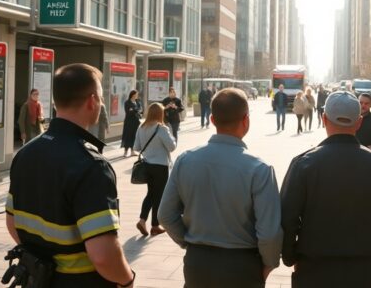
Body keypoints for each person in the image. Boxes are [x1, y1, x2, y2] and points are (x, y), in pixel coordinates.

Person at [6, 64, 135, 288]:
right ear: (92, 100)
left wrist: (44, 260)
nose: (101, 104)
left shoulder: (26, 153)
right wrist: (127, 281)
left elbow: (11, 221)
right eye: (101, 99)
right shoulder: (91, 166)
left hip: (36, 279)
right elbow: (103, 256)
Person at [280, 91, 371, 287]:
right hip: (366, 272)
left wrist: (291, 257)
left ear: (324, 119)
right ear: (359, 123)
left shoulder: (304, 164)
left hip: (313, 271)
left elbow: (286, 218)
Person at [158, 88, 282, 287]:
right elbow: (269, 233)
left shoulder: (185, 161)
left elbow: (165, 215)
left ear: (213, 120)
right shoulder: (260, 170)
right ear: (246, 120)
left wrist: (188, 241)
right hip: (242, 265)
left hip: (197, 263)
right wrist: (269, 263)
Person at [134, 103, 177, 237]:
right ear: (160, 114)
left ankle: (142, 220)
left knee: (151, 193)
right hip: (160, 166)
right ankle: (155, 226)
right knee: (158, 195)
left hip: (147, 165)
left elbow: (137, 147)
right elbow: (172, 147)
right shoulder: (162, 128)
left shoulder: (141, 127)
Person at [121, 90, 142, 157]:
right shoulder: (127, 102)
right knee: (128, 135)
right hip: (129, 122)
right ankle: (125, 151)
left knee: (134, 136)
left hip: (136, 121)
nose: (137, 96)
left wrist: (134, 110)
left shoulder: (137, 102)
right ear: (132, 95)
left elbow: (140, 110)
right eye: (136, 94)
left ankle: (132, 151)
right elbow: (128, 112)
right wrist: (135, 110)